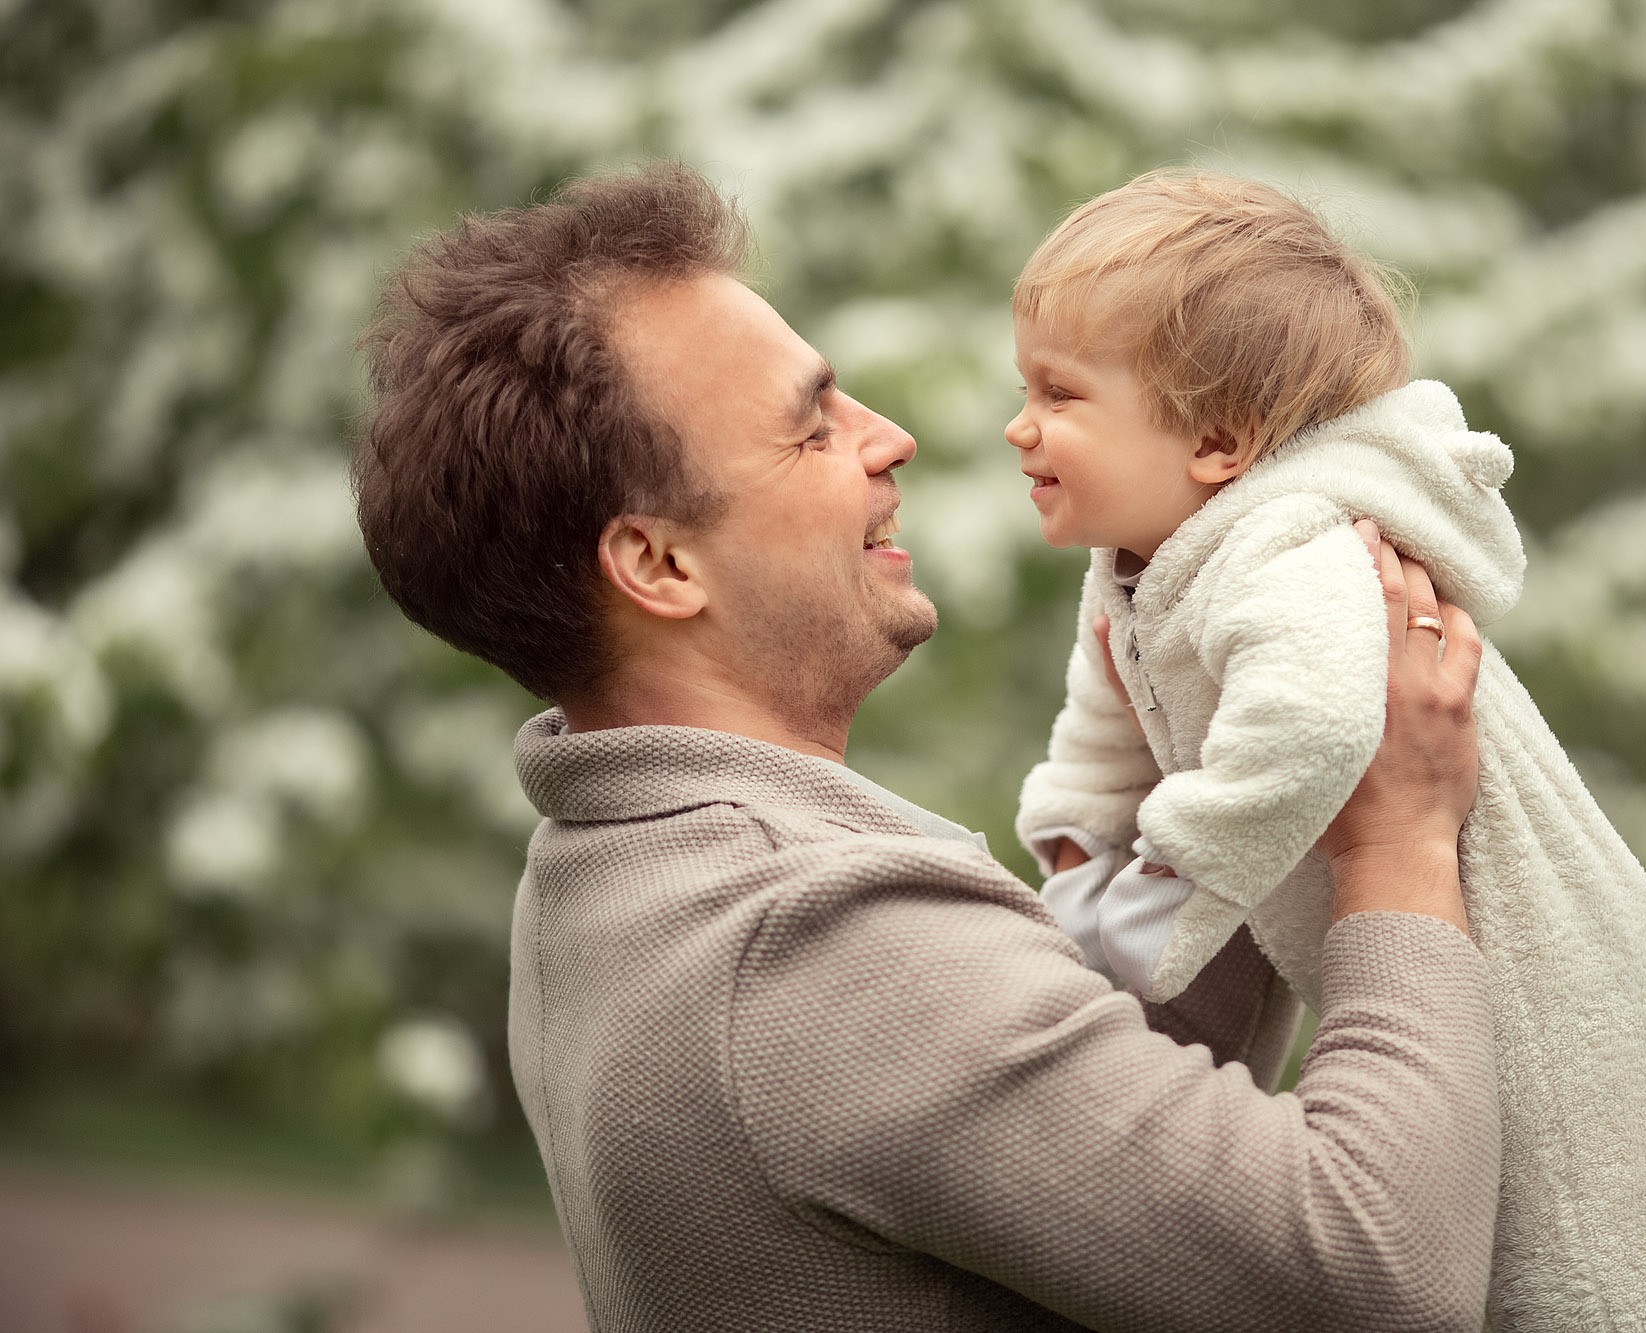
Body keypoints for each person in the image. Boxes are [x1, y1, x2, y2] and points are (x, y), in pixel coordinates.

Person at [352, 161, 1500, 1333]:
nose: (887, 438)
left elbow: (1119, 1153)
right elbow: (1373, 1268)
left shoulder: (611, 870)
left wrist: (1214, 738)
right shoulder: (811, 944)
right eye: (810, 430)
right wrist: (1394, 843)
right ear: (658, 565)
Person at [1007, 170, 1646, 1331]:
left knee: (1576, 1273)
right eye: (1022, 386)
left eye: (1058, 392)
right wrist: (1076, 826)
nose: (1019, 423)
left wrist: (1163, 878)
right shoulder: (1142, 563)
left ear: (1215, 441)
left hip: (1541, 967)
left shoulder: (1284, 547)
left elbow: (1313, 726)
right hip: (1425, 948)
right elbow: (1110, 698)